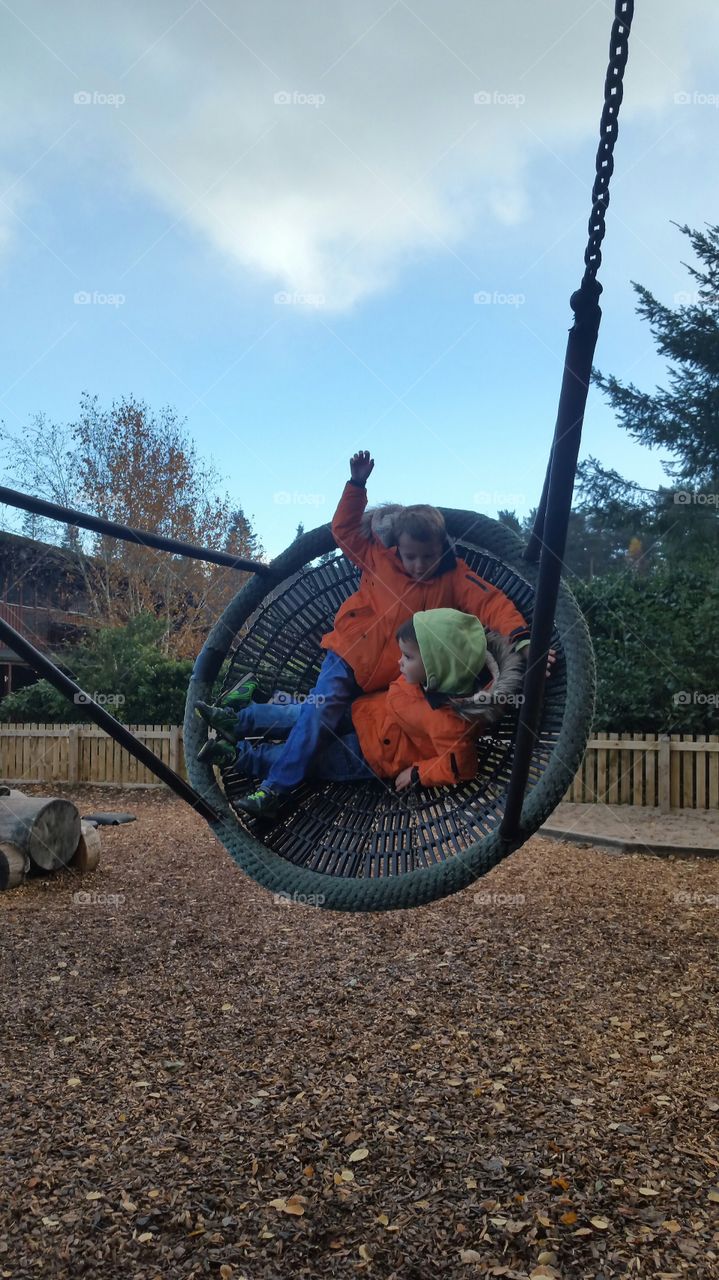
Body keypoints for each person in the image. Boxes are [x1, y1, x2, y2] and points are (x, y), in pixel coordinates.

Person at [199, 450, 532, 816]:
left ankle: (241, 727)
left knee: (317, 719)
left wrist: (520, 637)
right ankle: (274, 786)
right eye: (411, 556)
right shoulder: (379, 559)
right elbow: (342, 531)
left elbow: (491, 602)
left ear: (443, 549)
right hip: (347, 653)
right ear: (398, 549)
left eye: (428, 556)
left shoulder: (453, 578)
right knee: (317, 715)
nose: (420, 565)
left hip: (383, 682)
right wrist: (356, 485)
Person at [198, 609, 493, 794]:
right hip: (361, 712)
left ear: (436, 666)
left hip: (371, 755)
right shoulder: (424, 676)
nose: (400, 661)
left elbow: (461, 767)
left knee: (315, 761)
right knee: (299, 714)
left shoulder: (453, 723)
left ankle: (240, 756)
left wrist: (418, 773)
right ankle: (237, 721)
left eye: (408, 657)